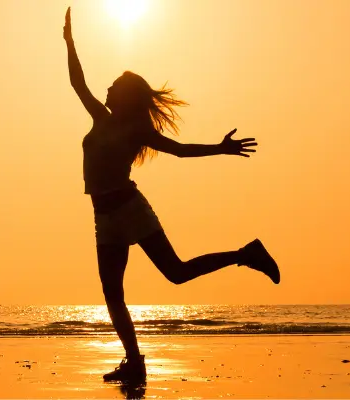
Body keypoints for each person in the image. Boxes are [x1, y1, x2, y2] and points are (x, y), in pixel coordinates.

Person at [62, 7, 281, 383]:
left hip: (130, 209)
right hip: (103, 216)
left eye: (114, 86)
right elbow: (77, 83)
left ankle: (246, 254)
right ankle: (134, 360)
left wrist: (220, 148)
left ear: (125, 96)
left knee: (176, 273)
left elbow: (179, 150)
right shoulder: (101, 117)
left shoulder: (136, 130)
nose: (107, 89)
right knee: (112, 293)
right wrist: (69, 43)